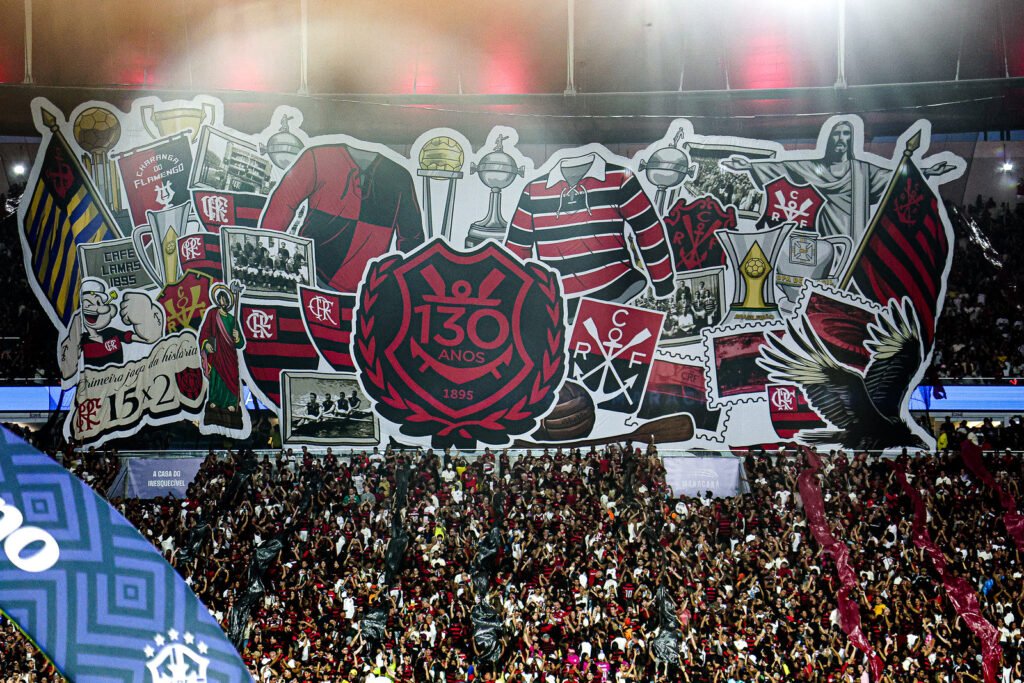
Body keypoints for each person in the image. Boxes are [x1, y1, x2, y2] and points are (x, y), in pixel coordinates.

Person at [722, 120, 891, 243]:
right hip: (825, 240)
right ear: (830, 138)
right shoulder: (814, 168)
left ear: (851, 138)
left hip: (856, 238)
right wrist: (750, 166)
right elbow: (784, 168)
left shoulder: (864, 171)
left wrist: (913, 168)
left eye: (846, 134)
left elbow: (891, 180)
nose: (840, 138)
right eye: (836, 134)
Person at [198, 284, 245, 429]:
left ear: (228, 302)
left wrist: (237, 338)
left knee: (231, 377)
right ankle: (215, 401)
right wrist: (206, 344)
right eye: (220, 298)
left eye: (224, 299)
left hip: (229, 354)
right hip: (217, 352)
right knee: (216, 377)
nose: (222, 301)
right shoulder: (213, 314)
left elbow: (240, 342)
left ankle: (231, 403)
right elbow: (205, 332)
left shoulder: (232, 319)